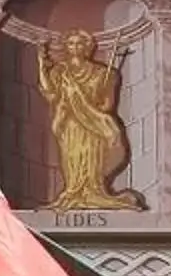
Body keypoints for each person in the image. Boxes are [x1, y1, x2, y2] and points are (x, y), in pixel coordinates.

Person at [38, 31, 146, 211]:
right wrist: (41, 65)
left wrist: (85, 105)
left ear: (88, 47)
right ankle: (73, 192)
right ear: (66, 47)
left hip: (93, 126)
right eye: (71, 43)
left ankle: (92, 192)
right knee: (72, 159)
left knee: (91, 159)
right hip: (69, 124)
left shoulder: (103, 73)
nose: (75, 47)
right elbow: (50, 93)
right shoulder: (60, 71)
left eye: (79, 43)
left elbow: (107, 106)